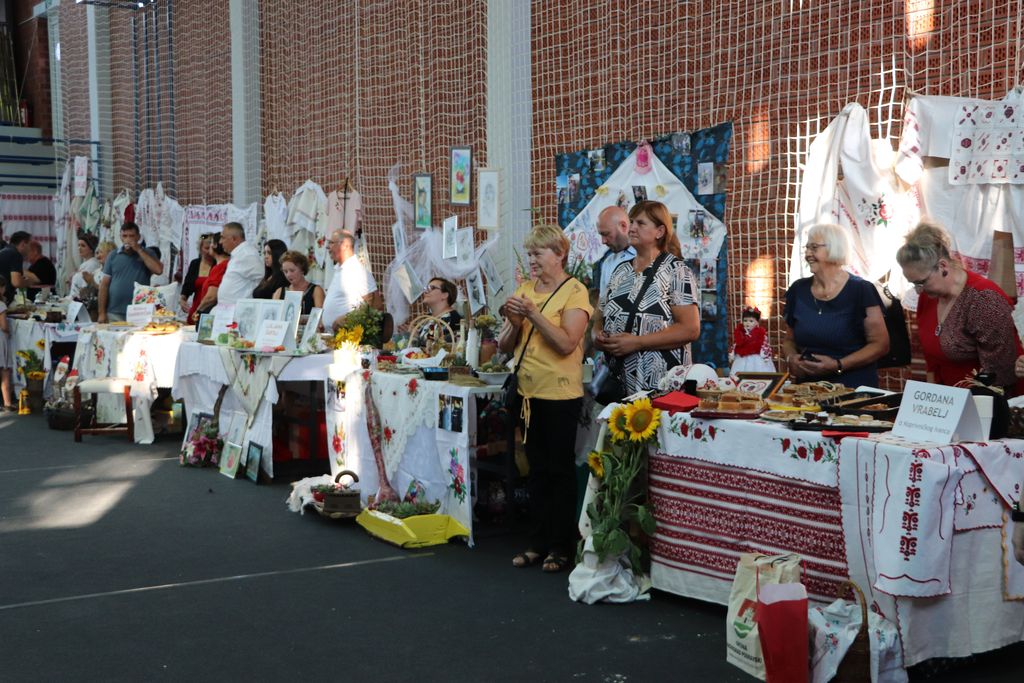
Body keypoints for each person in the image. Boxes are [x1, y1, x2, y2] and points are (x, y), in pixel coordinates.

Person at [497, 224, 592, 574]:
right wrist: (513, 322)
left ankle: (561, 546)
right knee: (535, 470)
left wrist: (533, 314)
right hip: (527, 394)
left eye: (538, 253)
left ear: (559, 254)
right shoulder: (525, 290)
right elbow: (507, 347)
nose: (532, 259)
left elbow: (568, 343)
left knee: (559, 471)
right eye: (530, 253)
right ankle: (537, 542)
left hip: (560, 394)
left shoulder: (575, 291)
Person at [898, 219, 1024, 394]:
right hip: (948, 400)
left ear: (942, 266)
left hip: (986, 402)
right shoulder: (929, 296)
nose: (919, 291)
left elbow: (999, 375)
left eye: (922, 282)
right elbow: (932, 363)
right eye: (914, 284)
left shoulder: (983, 299)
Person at [594, 200, 701, 396]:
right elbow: (598, 317)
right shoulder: (620, 270)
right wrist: (598, 334)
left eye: (640, 223)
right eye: (632, 221)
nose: (632, 228)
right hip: (621, 387)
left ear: (659, 231)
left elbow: (690, 329)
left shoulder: (676, 271)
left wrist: (638, 342)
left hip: (661, 388)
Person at [782, 223, 888, 388]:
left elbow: (880, 344)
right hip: (808, 390)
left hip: (853, 389)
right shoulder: (798, 289)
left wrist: (839, 365)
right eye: (807, 248)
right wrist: (791, 358)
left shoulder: (861, 290)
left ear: (835, 249)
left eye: (814, 247)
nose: (808, 253)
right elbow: (789, 340)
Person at [98, 221, 163, 322]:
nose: (128, 239)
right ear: (121, 237)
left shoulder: (148, 253)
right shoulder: (113, 255)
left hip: (139, 311)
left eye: (131, 236)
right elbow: (104, 285)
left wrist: (139, 250)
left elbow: (158, 270)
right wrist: (101, 313)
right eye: (125, 236)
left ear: (138, 237)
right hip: (114, 311)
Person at [322, 229, 378, 331]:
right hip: (334, 337)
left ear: (345, 245)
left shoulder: (357, 271)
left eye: (331, 243)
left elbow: (375, 305)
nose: (328, 247)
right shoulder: (339, 269)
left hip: (349, 338)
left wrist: (347, 319)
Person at [590, 205, 636, 302]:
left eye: (606, 234)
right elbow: (602, 304)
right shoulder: (607, 262)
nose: (603, 241)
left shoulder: (650, 257)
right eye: (601, 235)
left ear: (623, 226)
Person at [214, 222, 263, 308]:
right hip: (227, 310)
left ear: (234, 239)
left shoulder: (247, 254)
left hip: (238, 312)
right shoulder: (237, 254)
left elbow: (262, 279)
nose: (220, 242)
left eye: (222, 237)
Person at [272, 250, 325, 314]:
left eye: (292, 270)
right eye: (285, 271)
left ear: (302, 269)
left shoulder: (316, 290)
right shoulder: (279, 292)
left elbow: (319, 317)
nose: (288, 275)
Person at [415, 277, 461, 346]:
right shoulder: (429, 318)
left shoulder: (453, 319)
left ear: (445, 295)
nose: (426, 291)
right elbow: (430, 338)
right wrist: (414, 334)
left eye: (432, 288)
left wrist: (416, 338)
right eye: (426, 288)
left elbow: (435, 346)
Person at [729, 306, 776, 374]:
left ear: (757, 322)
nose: (748, 323)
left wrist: (765, 356)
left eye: (751, 321)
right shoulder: (740, 333)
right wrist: (732, 353)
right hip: (742, 358)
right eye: (745, 321)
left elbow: (765, 345)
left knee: (758, 373)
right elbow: (736, 344)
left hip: (757, 358)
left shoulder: (760, 334)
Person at [194, 234, 230, 318]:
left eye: (211, 243)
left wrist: (198, 310)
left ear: (215, 245)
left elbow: (211, 296)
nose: (209, 246)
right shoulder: (223, 265)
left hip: (210, 313)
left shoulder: (220, 267)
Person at [179, 233, 216, 315]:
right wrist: (182, 300)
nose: (209, 251)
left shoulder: (218, 265)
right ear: (200, 248)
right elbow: (187, 287)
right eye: (206, 248)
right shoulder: (195, 264)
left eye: (212, 248)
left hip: (212, 310)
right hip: (196, 309)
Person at [68, 233, 103, 300]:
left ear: (91, 249)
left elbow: (85, 287)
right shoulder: (85, 263)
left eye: (83, 246)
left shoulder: (92, 264)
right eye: (78, 245)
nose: (79, 248)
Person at [0, 231, 31, 303]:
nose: (30, 249)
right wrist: (28, 282)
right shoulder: (15, 254)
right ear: (23, 244)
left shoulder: (5, 251)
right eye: (29, 245)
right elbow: (16, 282)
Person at [0, 274, 13, 411]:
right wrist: (9, 331)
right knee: (4, 373)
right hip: (0, 340)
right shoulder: (1, 304)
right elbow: (3, 325)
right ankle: (7, 403)